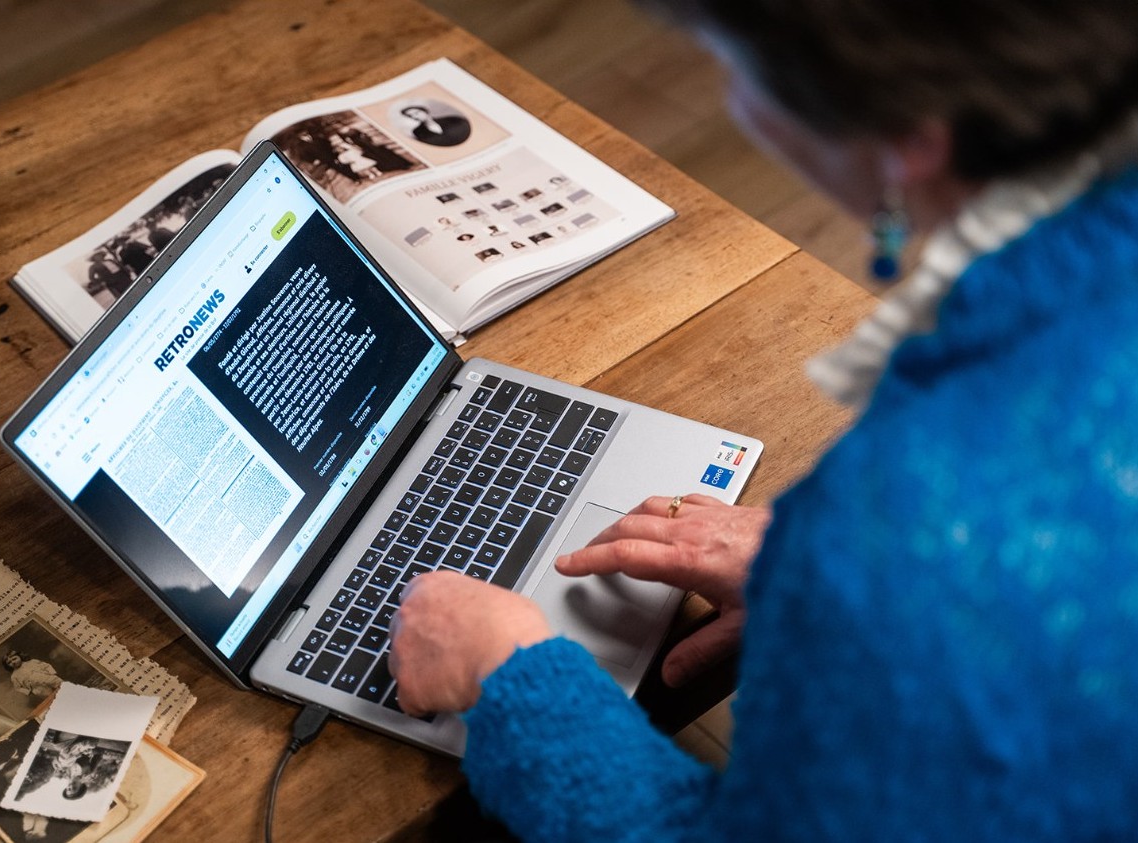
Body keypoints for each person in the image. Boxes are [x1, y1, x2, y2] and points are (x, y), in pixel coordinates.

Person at [388, 0, 1138, 839]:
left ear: (913, 138)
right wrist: (818, 575)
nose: (736, 104)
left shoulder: (908, 530)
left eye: (734, 66)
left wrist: (508, 680)